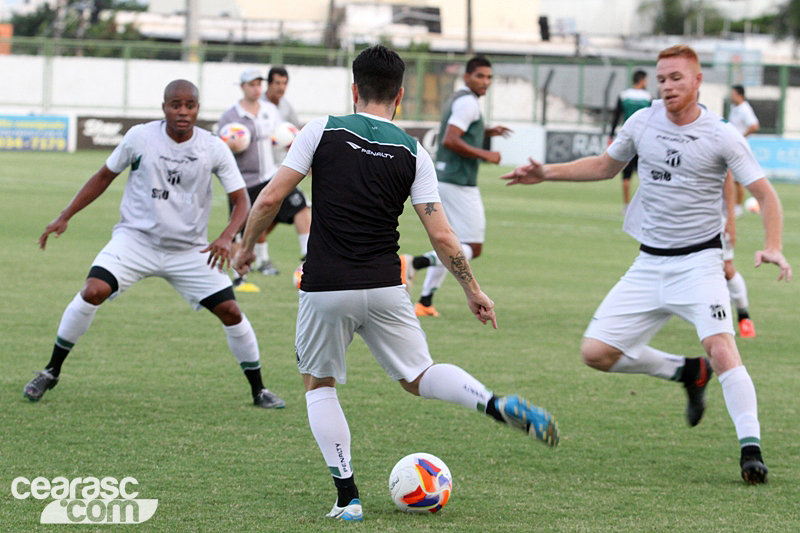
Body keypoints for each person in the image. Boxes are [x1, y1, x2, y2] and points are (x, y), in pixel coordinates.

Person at [232, 45, 558, 521]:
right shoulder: (413, 150)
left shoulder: (321, 129)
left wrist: (245, 248)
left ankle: (348, 499)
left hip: (326, 287)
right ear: (400, 96)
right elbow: (443, 236)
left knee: (318, 384)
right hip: (387, 285)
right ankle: (492, 402)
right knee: (418, 376)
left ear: (354, 89)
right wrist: (473, 290)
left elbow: (268, 201)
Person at [501, 45, 792, 484]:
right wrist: (547, 172)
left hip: (700, 263)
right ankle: (686, 371)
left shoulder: (722, 134)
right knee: (595, 353)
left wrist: (773, 245)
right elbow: (604, 165)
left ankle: (750, 449)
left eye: (677, 78)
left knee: (722, 346)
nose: (668, 86)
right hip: (648, 263)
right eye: (662, 78)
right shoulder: (641, 121)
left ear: (697, 82)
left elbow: (767, 195)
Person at [25, 80, 285, 409]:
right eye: (176, 105)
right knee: (92, 291)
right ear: (164, 107)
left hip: (191, 250)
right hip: (135, 241)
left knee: (231, 312)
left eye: (189, 105)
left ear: (197, 109)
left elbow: (241, 200)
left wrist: (226, 236)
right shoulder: (141, 137)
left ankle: (259, 390)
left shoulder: (212, 147)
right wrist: (66, 215)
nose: (183, 111)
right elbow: (103, 177)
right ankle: (51, 371)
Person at [409, 56, 511, 317]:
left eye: (489, 77)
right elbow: (451, 140)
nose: (485, 82)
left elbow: (462, 131)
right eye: (480, 76)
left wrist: (488, 132)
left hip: (446, 178)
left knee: (451, 242)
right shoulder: (468, 103)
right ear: (467, 77)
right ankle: (413, 263)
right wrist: (486, 154)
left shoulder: (460, 99)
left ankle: (425, 301)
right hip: (458, 182)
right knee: (472, 247)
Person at [219, 68, 310, 284]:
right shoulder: (231, 116)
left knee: (301, 206)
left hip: (270, 177)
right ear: (242, 87)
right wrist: (231, 144)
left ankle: (309, 255)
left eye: (259, 84)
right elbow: (220, 145)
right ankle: (238, 277)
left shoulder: (270, 110)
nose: (256, 88)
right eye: (251, 84)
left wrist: (288, 139)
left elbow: (281, 133)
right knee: (240, 229)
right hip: (242, 182)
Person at [609, 69, 652, 214]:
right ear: (642, 80)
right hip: (644, 139)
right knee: (646, 174)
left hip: (627, 138)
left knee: (626, 175)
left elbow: (616, 116)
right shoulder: (648, 96)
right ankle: (644, 206)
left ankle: (626, 205)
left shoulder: (624, 95)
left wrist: (611, 135)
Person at [723, 170, 756, 338]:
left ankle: (744, 317)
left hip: (715, 218)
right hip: (684, 218)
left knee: (726, 268)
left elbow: (727, 177)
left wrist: (730, 218)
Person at [728, 85, 760, 218]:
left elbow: (754, 125)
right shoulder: (734, 108)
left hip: (739, 148)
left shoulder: (744, 109)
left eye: (733, 94)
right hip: (731, 146)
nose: (731, 96)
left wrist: (741, 136)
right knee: (728, 177)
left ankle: (738, 207)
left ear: (740, 95)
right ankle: (730, 206)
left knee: (737, 178)